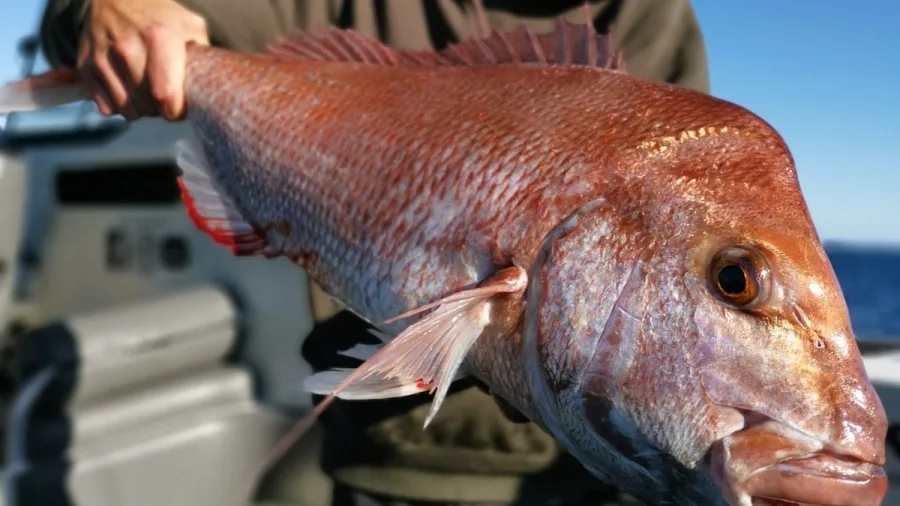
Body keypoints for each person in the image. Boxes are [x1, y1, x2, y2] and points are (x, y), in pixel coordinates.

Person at [38, 1, 711, 505]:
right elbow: (118, 17)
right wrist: (99, 10)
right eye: (736, 281)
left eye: (734, 280)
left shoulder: (650, 15)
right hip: (379, 460)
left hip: (580, 476)